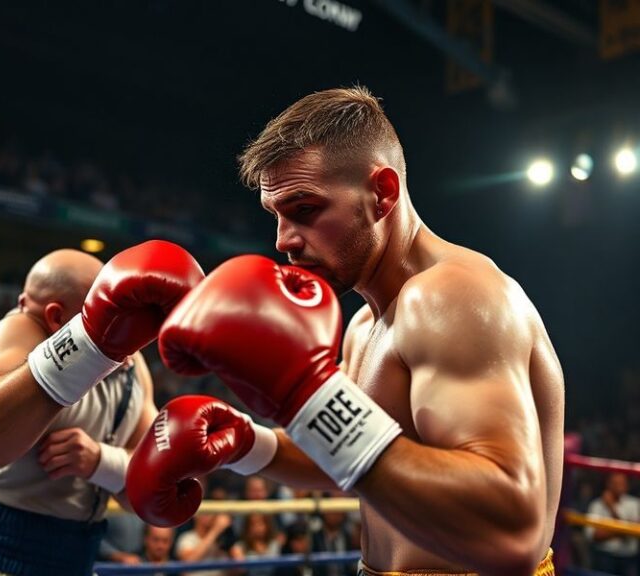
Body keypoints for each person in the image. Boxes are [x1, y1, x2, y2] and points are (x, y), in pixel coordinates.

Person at [128, 87, 564, 576]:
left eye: (305, 210)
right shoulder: (363, 323)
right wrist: (249, 442)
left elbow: (514, 530)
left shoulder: (450, 297)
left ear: (382, 193)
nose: (283, 241)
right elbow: (365, 461)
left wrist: (306, 397)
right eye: (276, 216)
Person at [0, 242, 204, 576]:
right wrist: (89, 340)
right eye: (106, 309)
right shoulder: (20, 333)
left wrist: (100, 462)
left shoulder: (134, 369)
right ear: (56, 317)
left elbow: (152, 495)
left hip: (75, 561)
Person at [585, 472, 640, 576]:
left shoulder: (635, 504)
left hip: (628, 557)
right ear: (608, 484)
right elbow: (594, 535)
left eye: (622, 483)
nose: (619, 486)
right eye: (615, 483)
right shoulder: (597, 505)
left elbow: (635, 532)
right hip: (604, 555)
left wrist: (612, 509)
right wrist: (625, 530)